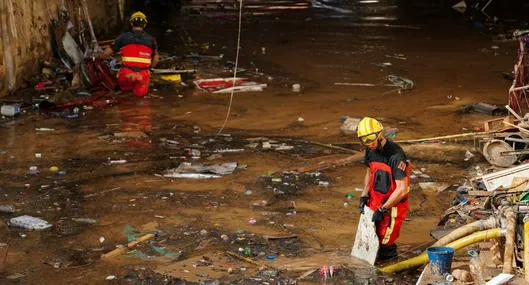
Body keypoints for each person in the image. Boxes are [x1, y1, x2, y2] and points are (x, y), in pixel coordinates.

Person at [356, 117, 410, 261]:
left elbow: (402, 189)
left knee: (386, 241)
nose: (369, 144)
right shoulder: (370, 150)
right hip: (375, 199)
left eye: (371, 139)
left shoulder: (395, 155)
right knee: (372, 238)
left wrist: (383, 209)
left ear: (379, 135)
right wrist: (364, 195)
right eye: (364, 140)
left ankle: (390, 269)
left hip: (393, 206)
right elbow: (369, 172)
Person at [100, 11, 159, 97]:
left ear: (131, 24)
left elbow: (107, 53)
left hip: (126, 74)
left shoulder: (123, 37)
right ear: (144, 25)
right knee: (140, 98)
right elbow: (156, 58)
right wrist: (149, 69)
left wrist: (99, 58)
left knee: (125, 96)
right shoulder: (151, 40)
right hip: (142, 75)